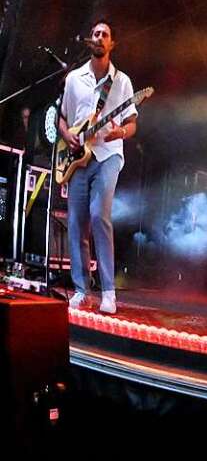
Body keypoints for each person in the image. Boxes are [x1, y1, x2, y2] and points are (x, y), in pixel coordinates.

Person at [59, 19, 138, 314]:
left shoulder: (123, 82)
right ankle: (81, 290)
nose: (99, 37)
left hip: (108, 155)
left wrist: (120, 132)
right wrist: (68, 137)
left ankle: (108, 292)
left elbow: (132, 124)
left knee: (98, 215)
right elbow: (63, 118)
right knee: (77, 223)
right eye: (95, 33)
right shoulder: (74, 78)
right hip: (78, 158)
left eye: (105, 34)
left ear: (112, 44)